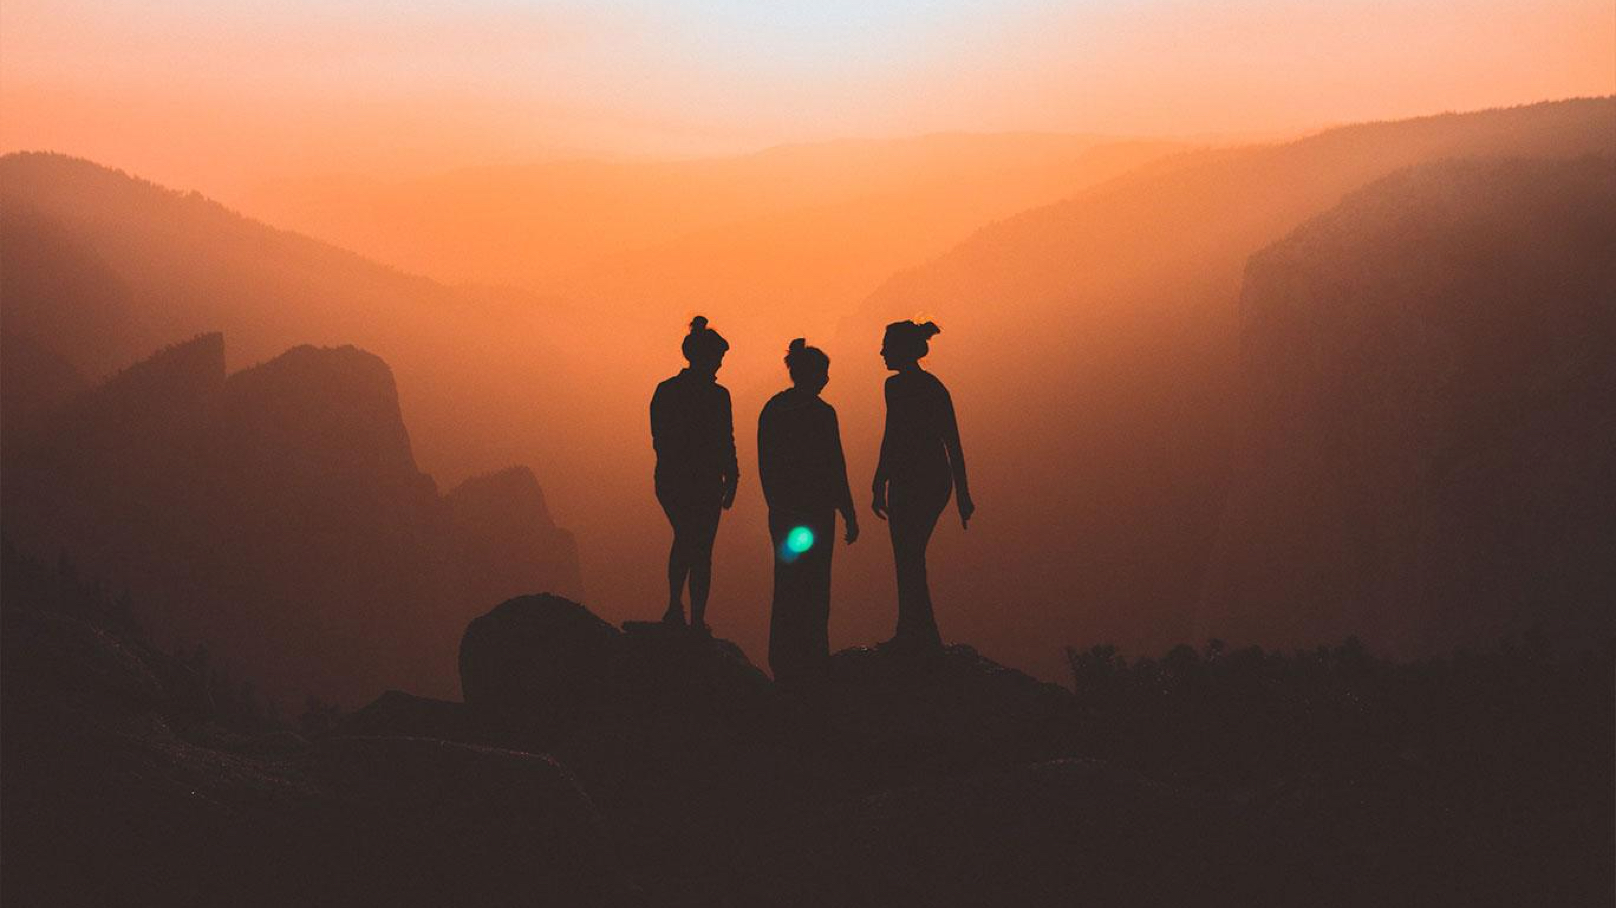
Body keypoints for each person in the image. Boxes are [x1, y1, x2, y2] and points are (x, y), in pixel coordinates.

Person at [758, 338, 859, 682]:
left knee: (788, 582)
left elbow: (766, 465)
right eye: (824, 372)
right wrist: (848, 511)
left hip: (787, 514)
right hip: (815, 514)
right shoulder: (821, 413)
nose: (828, 379)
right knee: (815, 584)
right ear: (812, 374)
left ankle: (784, 655)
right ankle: (813, 653)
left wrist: (776, 505)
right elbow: (836, 465)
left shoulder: (774, 409)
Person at [871, 320, 973, 652]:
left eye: (887, 345)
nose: (882, 351)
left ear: (902, 349)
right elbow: (893, 435)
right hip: (911, 478)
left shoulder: (929, 389)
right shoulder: (902, 387)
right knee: (908, 555)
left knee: (909, 554)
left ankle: (917, 634)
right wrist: (879, 480)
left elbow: (951, 441)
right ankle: (916, 631)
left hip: (924, 480)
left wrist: (963, 493)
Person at [650, 316, 738, 634]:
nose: (720, 366)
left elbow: (661, 440)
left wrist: (732, 475)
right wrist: (731, 476)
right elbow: (724, 439)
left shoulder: (668, 391)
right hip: (696, 481)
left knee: (690, 542)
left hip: (681, 480)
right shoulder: (714, 396)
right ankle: (689, 614)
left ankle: (682, 611)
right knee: (697, 545)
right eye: (718, 359)